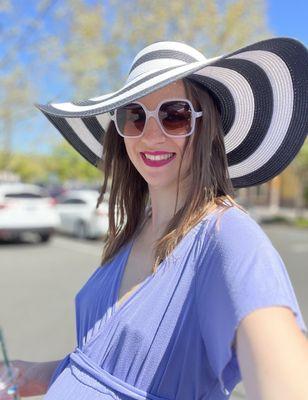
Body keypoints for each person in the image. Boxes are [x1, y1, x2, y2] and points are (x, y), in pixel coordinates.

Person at [1, 38, 308, 399]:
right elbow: (102, 366)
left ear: (208, 128)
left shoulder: (228, 235)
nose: (150, 135)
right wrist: (33, 374)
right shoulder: (133, 229)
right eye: (134, 116)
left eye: (173, 115)